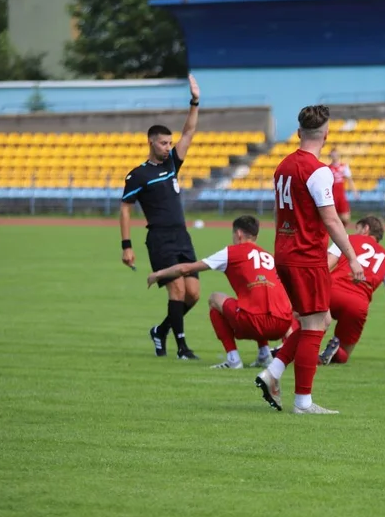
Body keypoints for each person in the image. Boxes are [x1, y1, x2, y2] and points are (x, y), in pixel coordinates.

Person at [255, 105, 365, 415]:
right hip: (307, 256)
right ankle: (303, 401)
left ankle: (272, 373)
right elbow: (332, 221)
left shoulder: (283, 166)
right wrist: (352, 258)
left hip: (285, 252)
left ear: (299, 132)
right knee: (315, 324)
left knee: (318, 320)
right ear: (326, 134)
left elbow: (278, 212)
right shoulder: (319, 171)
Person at [120, 74, 202, 361]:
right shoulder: (138, 175)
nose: (169, 147)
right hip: (159, 238)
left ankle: (161, 330)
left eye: (170, 143)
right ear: (152, 143)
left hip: (181, 236)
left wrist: (194, 101)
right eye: (164, 143)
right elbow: (125, 208)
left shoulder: (172, 165)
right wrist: (126, 245)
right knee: (177, 289)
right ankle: (182, 347)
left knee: (193, 294)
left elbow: (189, 132)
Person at [145, 215, 294, 370]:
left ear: (238, 234)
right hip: (282, 324)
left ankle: (233, 359)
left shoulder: (231, 252)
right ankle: (264, 355)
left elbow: (185, 269)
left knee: (215, 298)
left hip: (255, 322)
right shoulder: (269, 257)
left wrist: (158, 274)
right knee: (255, 301)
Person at [318, 215, 385, 365]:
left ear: (365, 229)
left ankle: (287, 349)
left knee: (308, 328)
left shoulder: (346, 239)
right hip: (358, 305)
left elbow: (325, 266)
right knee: (343, 354)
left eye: (357, 228)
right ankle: (335, 349)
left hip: (332, 292)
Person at [328, 147, 356, 226]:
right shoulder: (328, 168)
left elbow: (349, 179)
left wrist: (354, 191)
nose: (334, 156)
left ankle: (342, 232)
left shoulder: (344, 166)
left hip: (341, 195)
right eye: (332, 154)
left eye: (335, 154)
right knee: (331, 218)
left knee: (345, 218)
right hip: (332, 195)